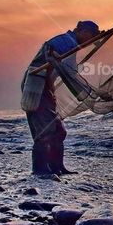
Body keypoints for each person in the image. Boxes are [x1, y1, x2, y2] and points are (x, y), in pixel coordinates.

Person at [21, 20, 99, 175]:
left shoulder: (71, 43)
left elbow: (60, 69)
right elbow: (67, 71)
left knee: (59, 132)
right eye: (91, 35)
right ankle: (40, 169)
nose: (91, 40)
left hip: (45, 88)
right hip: (36, 87)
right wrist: (89, 92)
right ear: (81, 31)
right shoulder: (64, 42)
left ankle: (57, 167)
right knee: (44, 132)